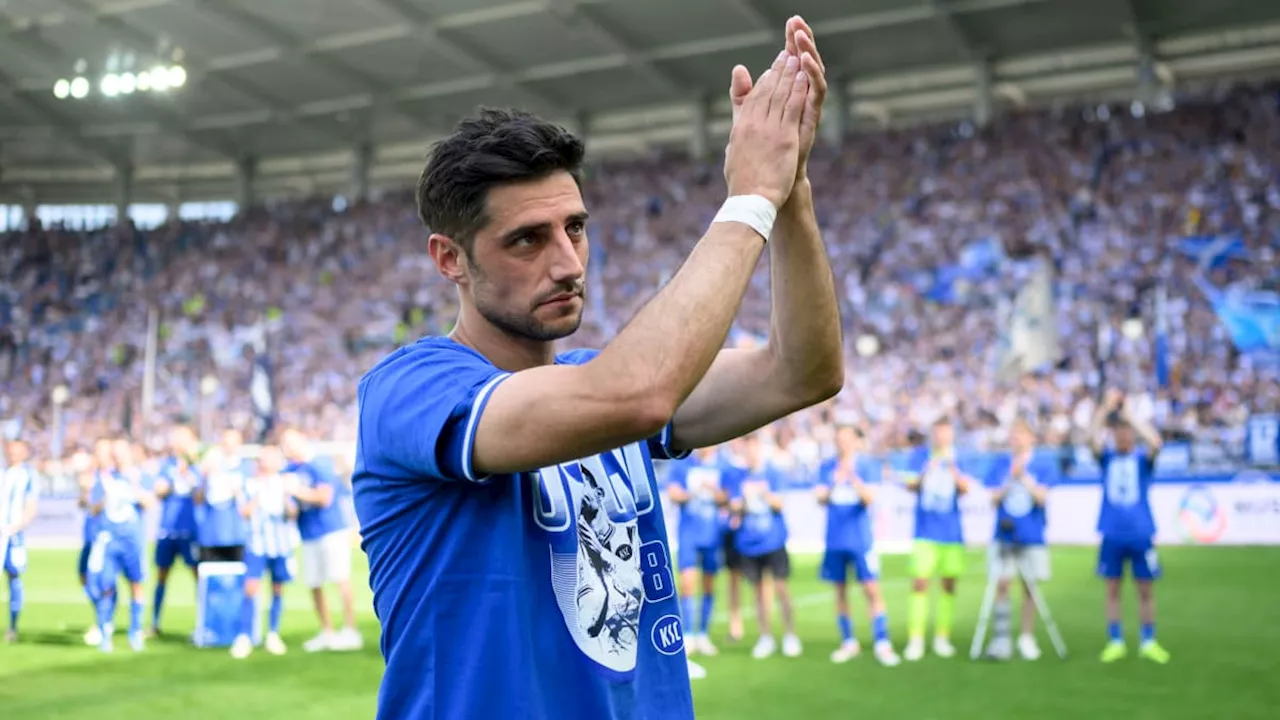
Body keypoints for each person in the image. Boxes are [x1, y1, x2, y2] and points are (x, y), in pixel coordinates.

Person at [353, 15, 842, 719]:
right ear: (449, 259)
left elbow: (803, 372)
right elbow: (634, 395)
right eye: (527, 239)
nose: (567, 262)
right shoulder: (411, 390)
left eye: (575, 228)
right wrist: (748, 200)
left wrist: (790, 189)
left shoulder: (592, 375)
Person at [1089, 389, 1170, 664]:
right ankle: (1116, 640)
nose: (1123, 436)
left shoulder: (1141, 461)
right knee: (1112, 589)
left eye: (1127, 432)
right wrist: (1105, 408)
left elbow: (1156, 443)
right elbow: (1090, 439)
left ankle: (1148, 640)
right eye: (1119, 432)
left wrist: (1129, 416)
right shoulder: (1108, 460)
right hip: (1111, 533)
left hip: (1140, 533)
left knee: (1145, 589)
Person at [815, 425, 899, 666]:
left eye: (847, 439)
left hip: (861, 539)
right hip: (835, 539)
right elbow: (819, 497)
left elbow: (870, 498)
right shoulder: (827, 467)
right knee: (840, 590)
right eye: (839, 439)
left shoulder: (866, 466)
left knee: (871, 588)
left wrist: (851, 478)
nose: (842, 444)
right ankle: (848, 641)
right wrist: (835, 482)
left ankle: (882, 641)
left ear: (855, 441)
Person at [281, 427, 361, 652]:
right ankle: (327, 631)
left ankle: (350, 629)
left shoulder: (319, 464)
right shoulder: (289, 469)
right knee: (314, 583)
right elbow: (290, 506)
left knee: (340, 579)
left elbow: (324, 498)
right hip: (308, 532)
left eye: (289, 442)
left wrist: (296, 491)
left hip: (329, 530)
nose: (285, 448)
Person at [903, 417, 974, 661]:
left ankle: (942, 637)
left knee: (948, 584)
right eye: (938, 433)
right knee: (920, 583)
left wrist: (952, 467)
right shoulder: (920, 456)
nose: (942, 438)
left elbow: (966, 489)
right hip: (924, 532)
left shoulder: (959, 458)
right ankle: (916, 638)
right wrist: (929, 467)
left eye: (946, 433)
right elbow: (910, 486)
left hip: (951, 533)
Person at [984, 418, 1051, 661]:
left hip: (1031, 535)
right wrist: (1009, 480)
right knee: (1001, 584)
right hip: (1004, 534)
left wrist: (1023, 477)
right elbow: (992, 499)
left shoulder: (1042, 464)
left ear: (1031, 438)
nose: (1015, 439)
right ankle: (1001, 639)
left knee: (1030, 586)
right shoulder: (1001, 464)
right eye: (1013, 434)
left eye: (1020, 434)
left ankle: (1026, 637)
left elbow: (1042, 498)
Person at [732, 432, 802, 660]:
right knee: (758, 592)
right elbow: (734, 507)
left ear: (759, 449)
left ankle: (790, 635)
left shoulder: (773, 473)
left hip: (773, 540)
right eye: (746, 450)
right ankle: (766, 636)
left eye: (753, 448)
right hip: (750, 543)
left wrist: (763, 493)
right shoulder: (739, 476)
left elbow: (779, 503)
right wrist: (741, 502)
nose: (750, 454)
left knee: (781, 588)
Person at [666, 444, 739, 657]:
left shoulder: (724, 466)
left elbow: (729, 498)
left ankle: (703, 633)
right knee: (687, 583)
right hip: (688, 532)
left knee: (709, 583)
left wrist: (714, 492)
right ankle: (688, 633)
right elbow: (673, 493)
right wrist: (692, 493)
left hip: (712, 533)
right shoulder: (683, 463)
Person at [88, 439, 157, 653]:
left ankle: (135, 631)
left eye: (121, 452)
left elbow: (149, 503)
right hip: (110, 539)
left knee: (136, 584)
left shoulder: (140, 476)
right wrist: (104, 498)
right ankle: (105, 631)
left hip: (132, 540)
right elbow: (93, 509)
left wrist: (134, 486)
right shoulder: (105, 478)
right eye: (114, 453)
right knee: (106, 585)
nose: (117, 457)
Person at [231, 445, 298, 659]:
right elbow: (243, 512)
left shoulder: (285, 483)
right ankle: (244, 636)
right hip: (256, 544)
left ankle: (272, 633)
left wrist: (288, 499)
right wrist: (260, 494)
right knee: (250, 588)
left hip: (280, 545)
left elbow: (292, 512)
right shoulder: (250, 484)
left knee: (278, 589)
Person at [149, 425, 202, 637]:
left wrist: (188, 473)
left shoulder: (198, 466)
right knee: (161, 576)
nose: (177, 442)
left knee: (198, 577)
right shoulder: (167, 465)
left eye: (182, 438)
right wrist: (174, 477)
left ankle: (202, 622)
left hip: (190, 531)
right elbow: (159, 491)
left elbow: (201, 494)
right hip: (167, 530)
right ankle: (154, 623)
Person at [2, 440, 39, 643]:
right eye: (10, 450)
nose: (12, 454)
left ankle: (12, 626)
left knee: (14, 578)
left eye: (17, 451)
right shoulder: (3, 471)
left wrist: (18, 525)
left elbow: (31, 506)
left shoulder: (27, 476)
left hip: (13, 536)